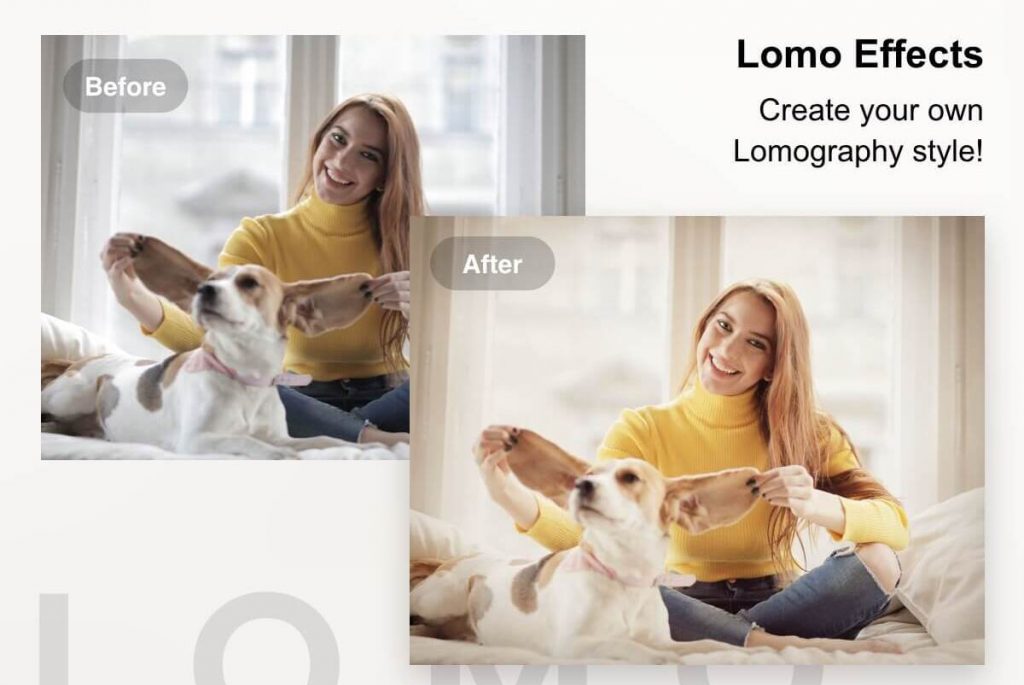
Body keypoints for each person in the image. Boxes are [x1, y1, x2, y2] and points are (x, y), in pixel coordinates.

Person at [474, 279, 908, 651]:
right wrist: (510, 496)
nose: (725, 349)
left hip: (779, 599)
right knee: (638, 587)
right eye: (723, 326)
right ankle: (762, 644)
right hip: (677, 601)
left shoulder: (810, 432)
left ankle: (736, 637)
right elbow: (589, 537)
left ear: (775, 365)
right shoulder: (642, 428)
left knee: (879, 560)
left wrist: (816, 504)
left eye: (754, 343)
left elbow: (895, 527)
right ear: (704, 326)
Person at [100, 93, 422, 446]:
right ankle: (373, 438)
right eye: (338, 139)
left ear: (384, 174)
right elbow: (213, 339)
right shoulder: (260, 237)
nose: (342, 160)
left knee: (451, 378)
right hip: (300, 398)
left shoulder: (413, 243)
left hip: (390, 398)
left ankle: (342, 429)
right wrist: (133, 298)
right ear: (319, 141)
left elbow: (459, 353)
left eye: (367, 155)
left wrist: (426, 315)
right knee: (259, 386)